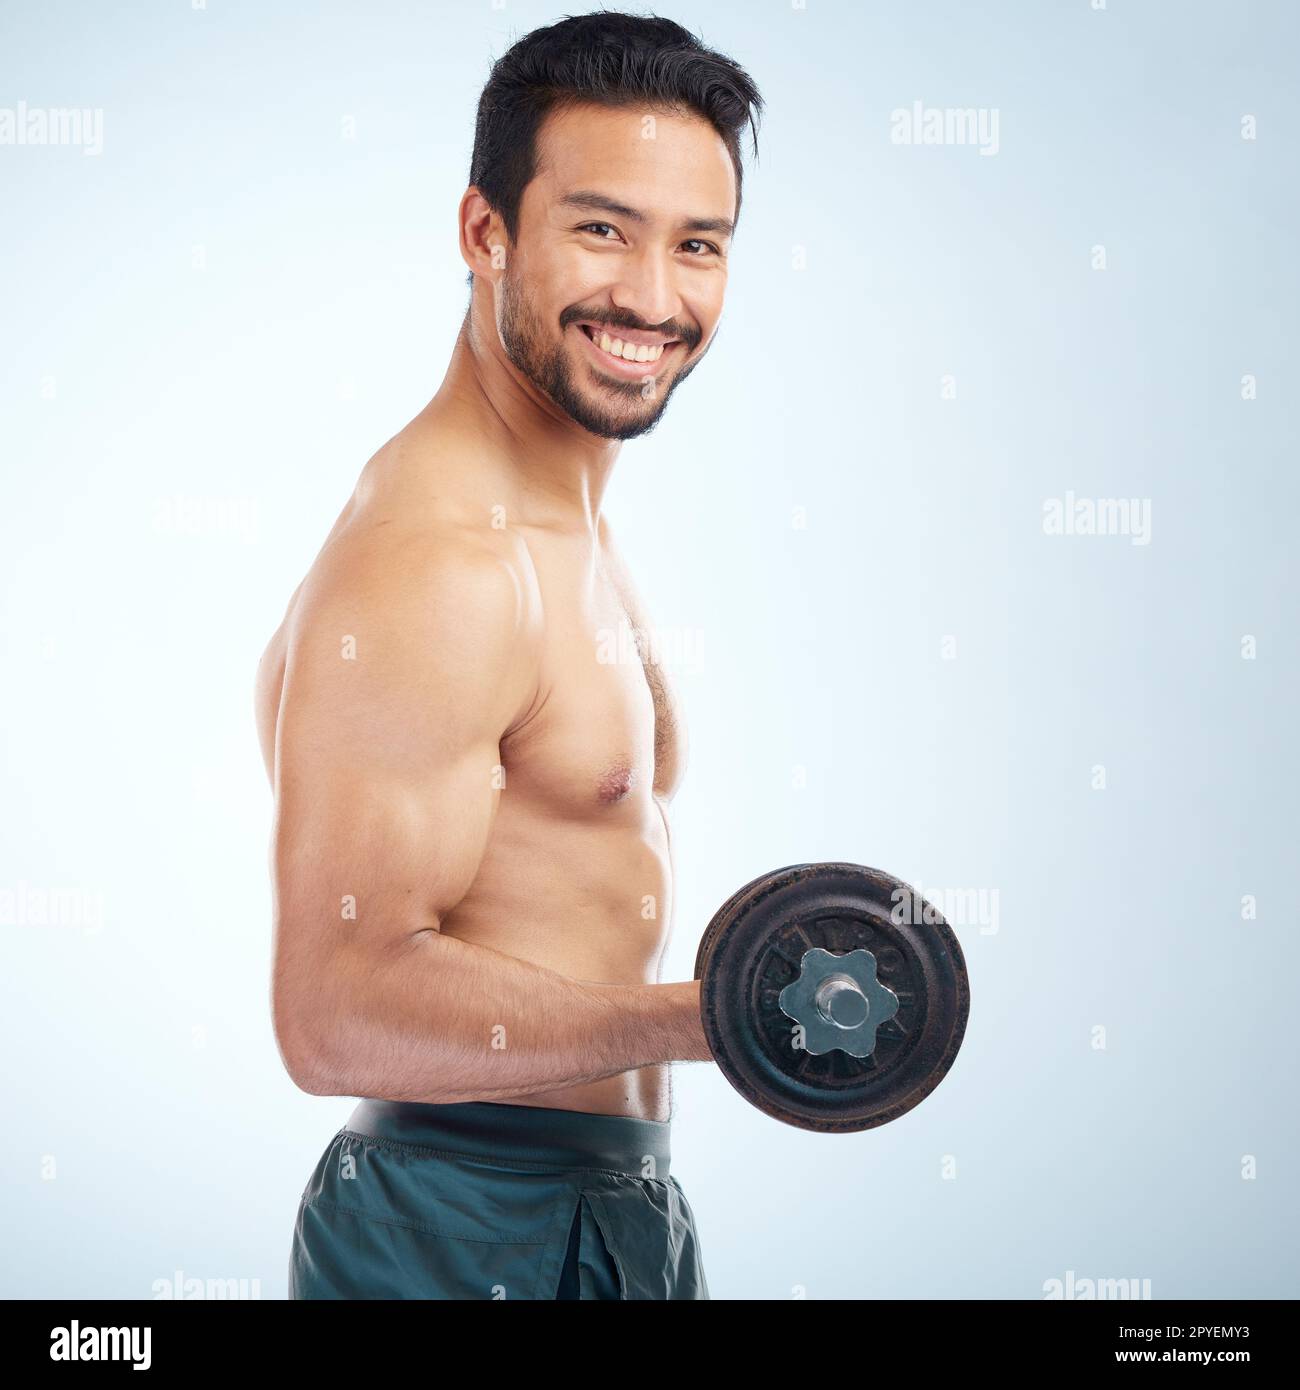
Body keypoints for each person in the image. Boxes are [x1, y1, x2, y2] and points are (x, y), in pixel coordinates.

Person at [254, 11, 762, 1300]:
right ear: (487, 233)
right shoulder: (437, 559)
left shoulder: (567, 516)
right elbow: (335, 1009)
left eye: (696, 244)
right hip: (460, 1218)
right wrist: (717, 1019)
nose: (654, 298)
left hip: (606, 1207)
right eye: (603, 229)